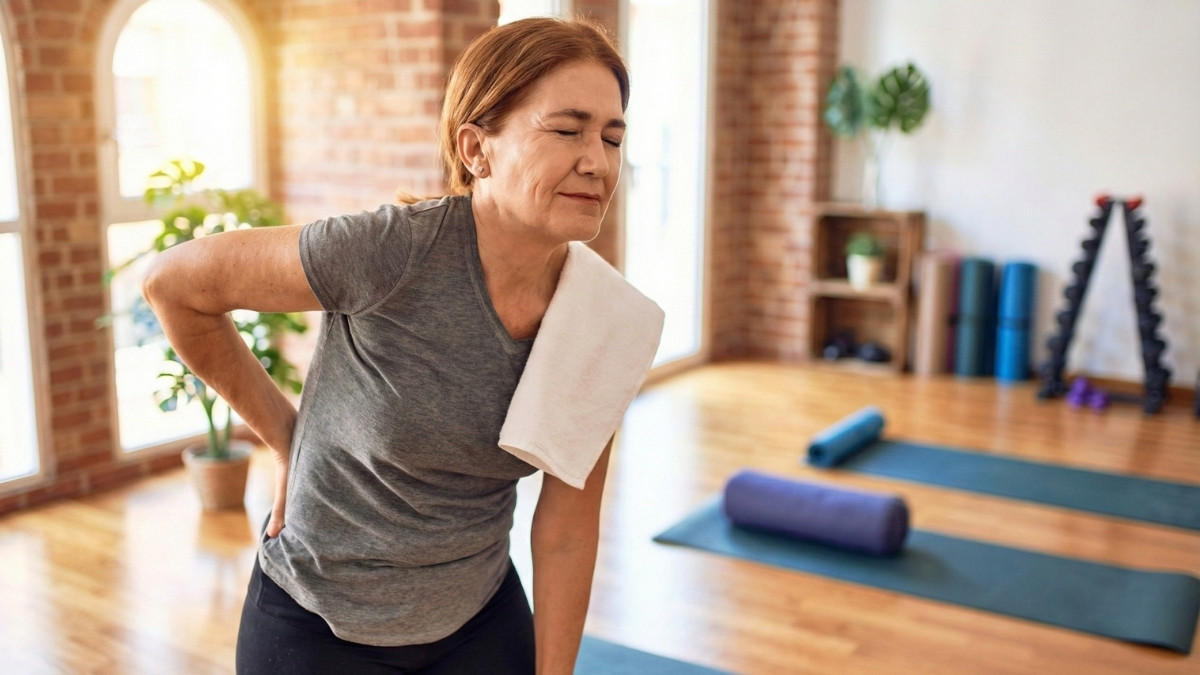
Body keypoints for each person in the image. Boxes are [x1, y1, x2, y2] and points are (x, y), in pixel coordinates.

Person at [142, 16, 662, 675]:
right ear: (476, 149)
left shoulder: (603, 317)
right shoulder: (390, 252)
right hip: (317, 623)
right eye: (567, 130)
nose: (598, 161)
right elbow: (173, 284)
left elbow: (566, 532)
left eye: (612, 137)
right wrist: (284, 436)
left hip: (478, 618)